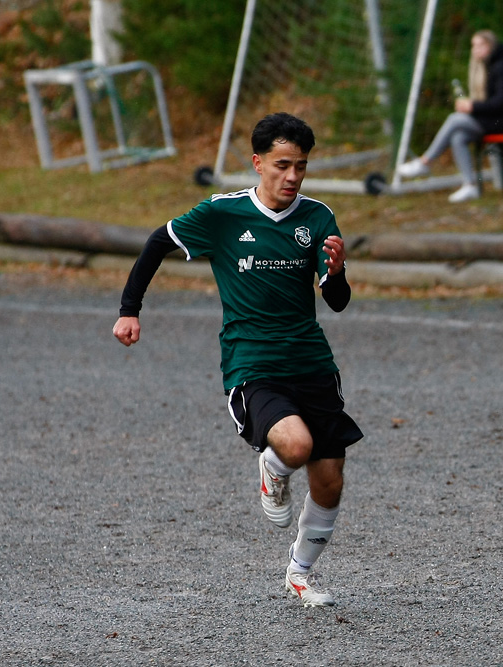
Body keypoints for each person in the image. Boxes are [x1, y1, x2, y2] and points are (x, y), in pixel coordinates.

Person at [112, 112, 363, 607]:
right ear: (258, 163)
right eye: (283, 165)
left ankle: (300, 574)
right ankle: (272, 468)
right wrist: (129, 311)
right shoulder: (223, 213)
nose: (292, 177)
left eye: (302, 167)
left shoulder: (317, 217)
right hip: (253, 361)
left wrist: (334, 272)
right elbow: (158, 241)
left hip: (311, 361)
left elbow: (336, 300)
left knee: (330, 480)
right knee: (294, 446)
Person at [396, 29, 503, 203]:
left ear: (491, 45)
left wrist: (472, 106)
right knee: (459, 137)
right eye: (474, 45)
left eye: (481, 45)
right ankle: (470, 185)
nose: (476, 50)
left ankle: (425, 162)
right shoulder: (489, 65)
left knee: (455, 119)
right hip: (495, 119)